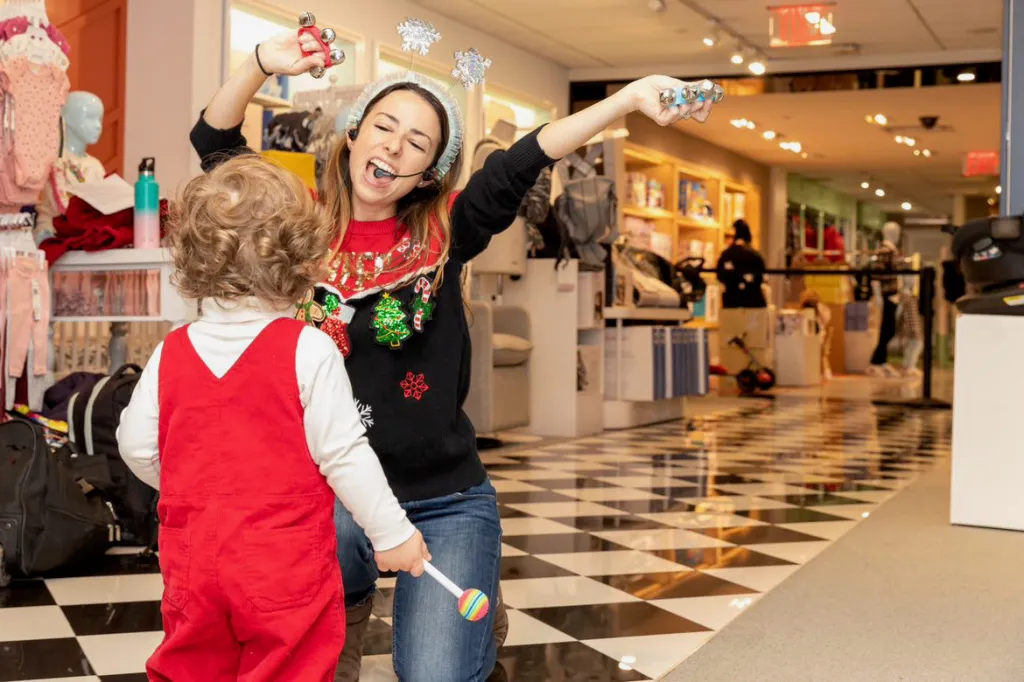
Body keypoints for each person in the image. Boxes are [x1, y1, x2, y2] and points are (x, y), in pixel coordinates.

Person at [190, 26, 716, 682]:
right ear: (353, 135)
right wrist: (262, 63)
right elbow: (216, 145)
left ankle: (474, 618)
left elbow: (526, 158)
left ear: (430, 170)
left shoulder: (446, 231)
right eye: (383, 126)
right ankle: (343, 604)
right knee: (329, 561)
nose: (393, 146)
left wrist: (629, 100)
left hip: (441, 496)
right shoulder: (297, 224)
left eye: (417, 141)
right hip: (329, 496)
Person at [116, 156, 431, 682]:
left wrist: (190, 487)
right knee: (292, 665)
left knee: (191, 663)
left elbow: (136, 446)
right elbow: (345, 456)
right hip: (283, 562)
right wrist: (392, 534)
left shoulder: (172, 350)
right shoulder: (307, 349)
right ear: (301, 259)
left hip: (192, 559)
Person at [716, 218, 767, 308]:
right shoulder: (755, 255)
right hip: (753, 301)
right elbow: (761, 276)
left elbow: (720, 276)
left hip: (731, 300)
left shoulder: (726, 255)